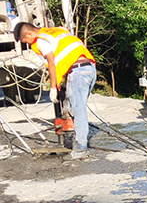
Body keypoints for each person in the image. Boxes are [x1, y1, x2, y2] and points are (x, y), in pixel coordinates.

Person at [14, 22, 97, 159]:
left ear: (29, 34)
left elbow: (52, 63)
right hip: (89, 69)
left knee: (78, 110)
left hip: (78, 72)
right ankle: (75, 138)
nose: (27, 44)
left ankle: (81, 149)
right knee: (72, 107)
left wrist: (53, 88)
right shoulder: (56, 31)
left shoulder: (42, 41)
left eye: (25, 41)